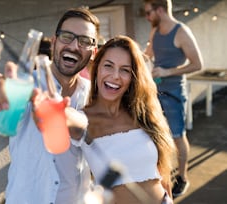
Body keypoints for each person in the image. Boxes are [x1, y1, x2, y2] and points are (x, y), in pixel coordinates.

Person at [0, 7, 100, 204]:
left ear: (93, 52)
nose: (74, 46)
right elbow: (4, 119)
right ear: (54, 42)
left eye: (85, 41)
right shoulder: (25, 85)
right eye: (67, 36)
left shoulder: (96, 96)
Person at [33, 35, 176, 203]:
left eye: (125, 70)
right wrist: (48, 104)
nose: (115, 76)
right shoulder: (84, 119)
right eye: (108, 66)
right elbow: (64, 118)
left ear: (133, 77)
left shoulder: (143, 112)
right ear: (97, 68)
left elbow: (162, 173)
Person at [143, 0, 203, 198]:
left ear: (160, 9)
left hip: (174, 93)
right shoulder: (155, 31)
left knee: (177, 136)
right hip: (155, 92)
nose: (147, 17)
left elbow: (197, 64)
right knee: (156, 134)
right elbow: (148, 55)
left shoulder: (181, 32)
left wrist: (168, 71)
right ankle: (161, 175)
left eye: (148, 12)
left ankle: (183, 177)